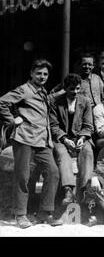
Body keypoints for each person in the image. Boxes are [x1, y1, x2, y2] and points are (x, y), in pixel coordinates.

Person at [0, 59, 62, 228]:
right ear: (31, 74)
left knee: (53, 172)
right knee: (23, 177)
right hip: (24, 138)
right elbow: (2, 101)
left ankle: (45, 212)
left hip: (42, 140)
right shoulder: (24, 89)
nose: (42, 77)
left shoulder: (42, 91)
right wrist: (12, 120)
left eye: (45, 74)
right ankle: (20, 214)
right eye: (39, 73)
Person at [49, 73, 94, 205]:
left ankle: (86, 190)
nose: (75, 92)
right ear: (65, 88)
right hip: (61, 138)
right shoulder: (55, 102)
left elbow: (88, 125)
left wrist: (82, 137)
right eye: (72, 89)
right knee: (62, 154)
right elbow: (54, 125)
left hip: (80, 137)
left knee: (88, 152)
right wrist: (64, 139)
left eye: (78, 89)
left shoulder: (85, 101)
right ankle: (68, 190)